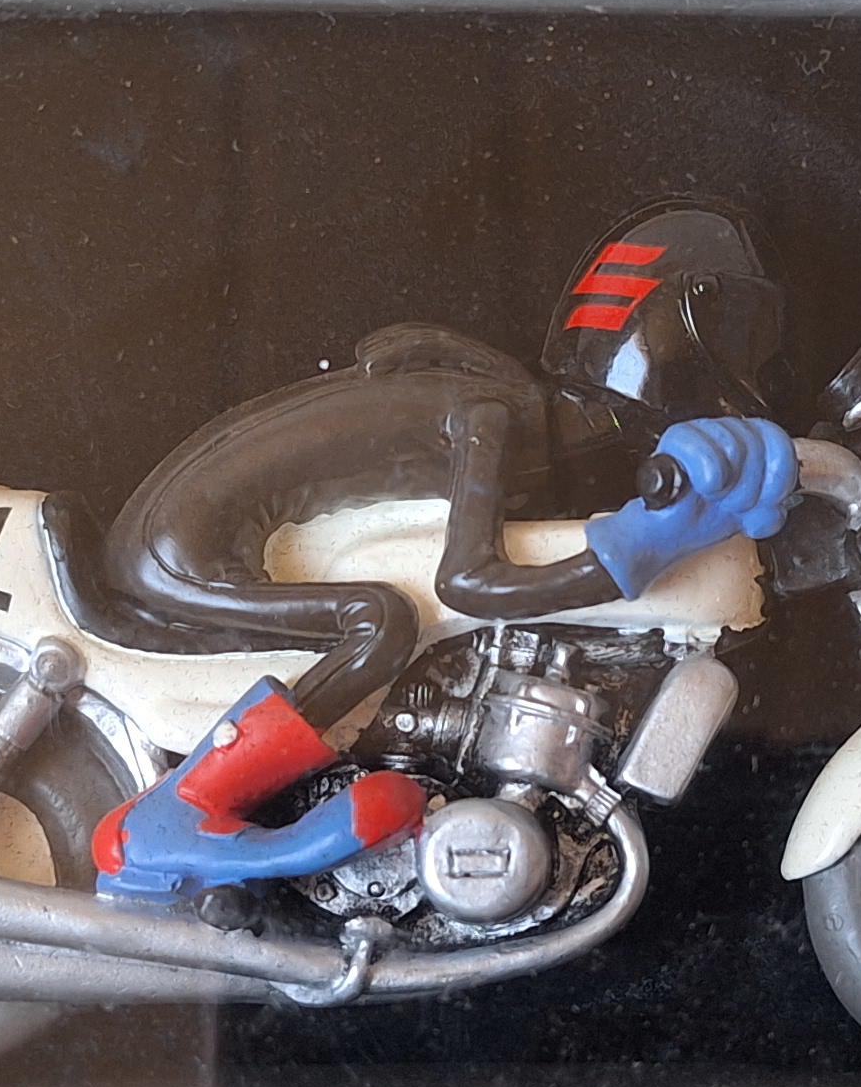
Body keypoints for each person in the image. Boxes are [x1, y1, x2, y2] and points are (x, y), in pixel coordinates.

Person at [88, 203, 801, 901]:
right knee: (384, 620)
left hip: (176, 531)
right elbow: (469, 582)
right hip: (175, 551)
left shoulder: (502, 396)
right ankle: (181, 810)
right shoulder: (495, 416)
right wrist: (645, 547)